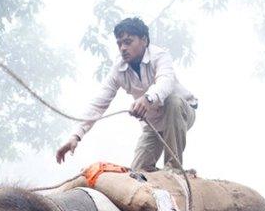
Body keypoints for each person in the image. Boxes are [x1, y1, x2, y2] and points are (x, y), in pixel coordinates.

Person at [55, 17, 198, 172]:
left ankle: (174, 169)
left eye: (128, 42)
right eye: (119, 43)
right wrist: (76, 136)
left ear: (144, 40)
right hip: (154, 125)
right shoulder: (118, 69)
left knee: (173, 101)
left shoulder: (160, 56)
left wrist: (148, 98)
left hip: (181, 113)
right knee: (137, 173)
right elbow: (98, 103)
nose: (123, 48)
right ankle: (158, 176)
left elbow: (166, 81)